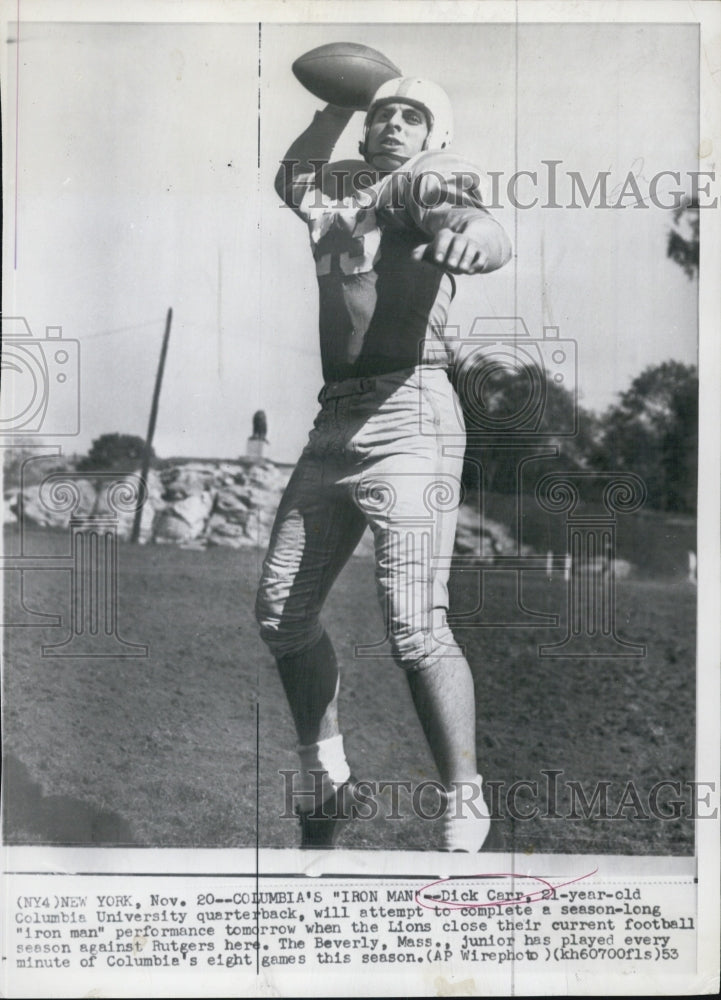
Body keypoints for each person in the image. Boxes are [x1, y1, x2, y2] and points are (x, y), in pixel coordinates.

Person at [256, 75, 512, 850]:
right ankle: (327, 771)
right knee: (279, 613)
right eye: (383, 113)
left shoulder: (421, 181)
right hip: (333, 421)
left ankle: (464, 797)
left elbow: (475, 216)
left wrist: (479, 239)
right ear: (364, 133)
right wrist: (333, 105)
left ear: (433, 135)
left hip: (409, 413)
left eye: (414, 115)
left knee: (413, 628)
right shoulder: (337, 195)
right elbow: (291, 175)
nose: (395, 122)